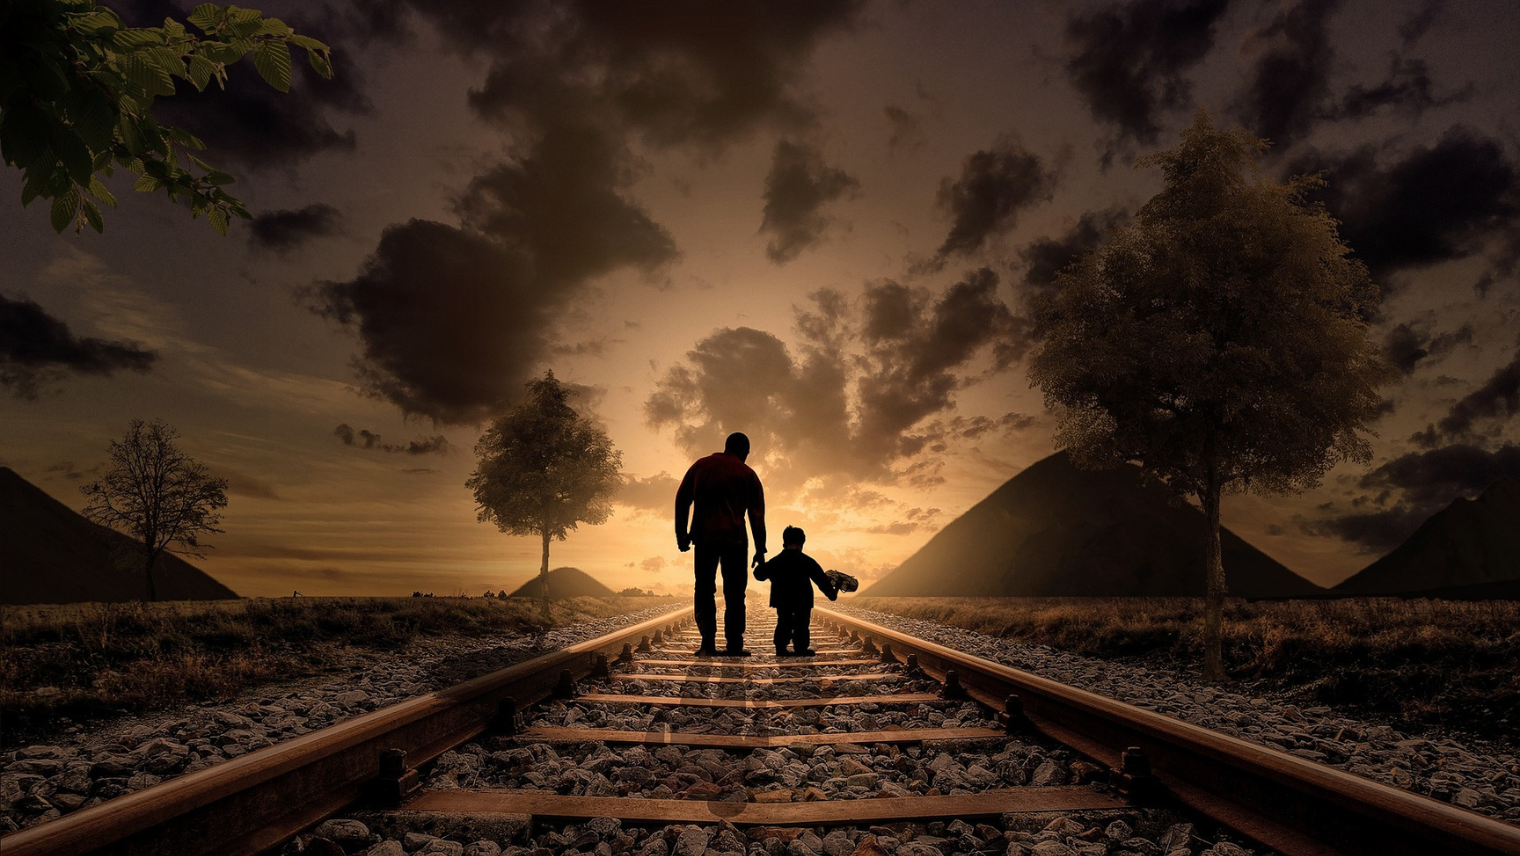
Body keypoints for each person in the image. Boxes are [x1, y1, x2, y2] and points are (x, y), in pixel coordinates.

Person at [675, 432, 766, 656]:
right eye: (747, 453)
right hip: (735, 540)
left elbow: (682, 500)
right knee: (735, 593)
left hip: (704, 538)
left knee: (704, 589)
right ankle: (734, 644)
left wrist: (682, 534)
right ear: (743, 450)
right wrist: (760, 549)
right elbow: (756, 515)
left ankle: (707, 643)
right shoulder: (748, 474)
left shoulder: (700, 466)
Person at [753, 525, 836, 656]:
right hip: (803, 599)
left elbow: (759, 575)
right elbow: (821, 579)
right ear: (801, 543)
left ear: (784, 542)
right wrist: (832, 594)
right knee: (802, 624)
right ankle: (801, 648)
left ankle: (781, 648)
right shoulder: (807, 561)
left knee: (783, 622)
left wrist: (761, 564)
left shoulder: (776, 561)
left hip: (782, 599)